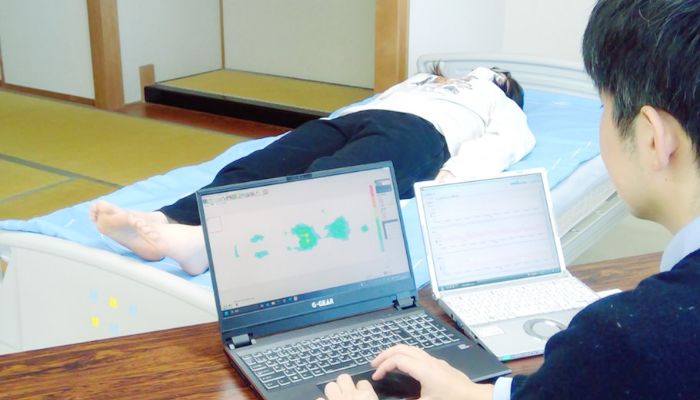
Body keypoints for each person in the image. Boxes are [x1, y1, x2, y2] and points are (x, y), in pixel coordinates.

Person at [320, 0, 700, 399]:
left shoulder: (624, 341)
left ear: (653, 138)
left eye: (604, 107)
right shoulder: (422, 83)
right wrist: (473, 394)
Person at [90, 66, 534, 275]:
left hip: (421, 133)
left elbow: (509, 141)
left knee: (328, 183)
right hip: (349, 120)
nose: (478, 71)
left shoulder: (494, 100)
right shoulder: (420, 80)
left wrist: (451, 177)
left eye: (494, 73)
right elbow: (373, 102)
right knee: (255, 167)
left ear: (504, 85)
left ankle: (208, 247)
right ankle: (165, 220)